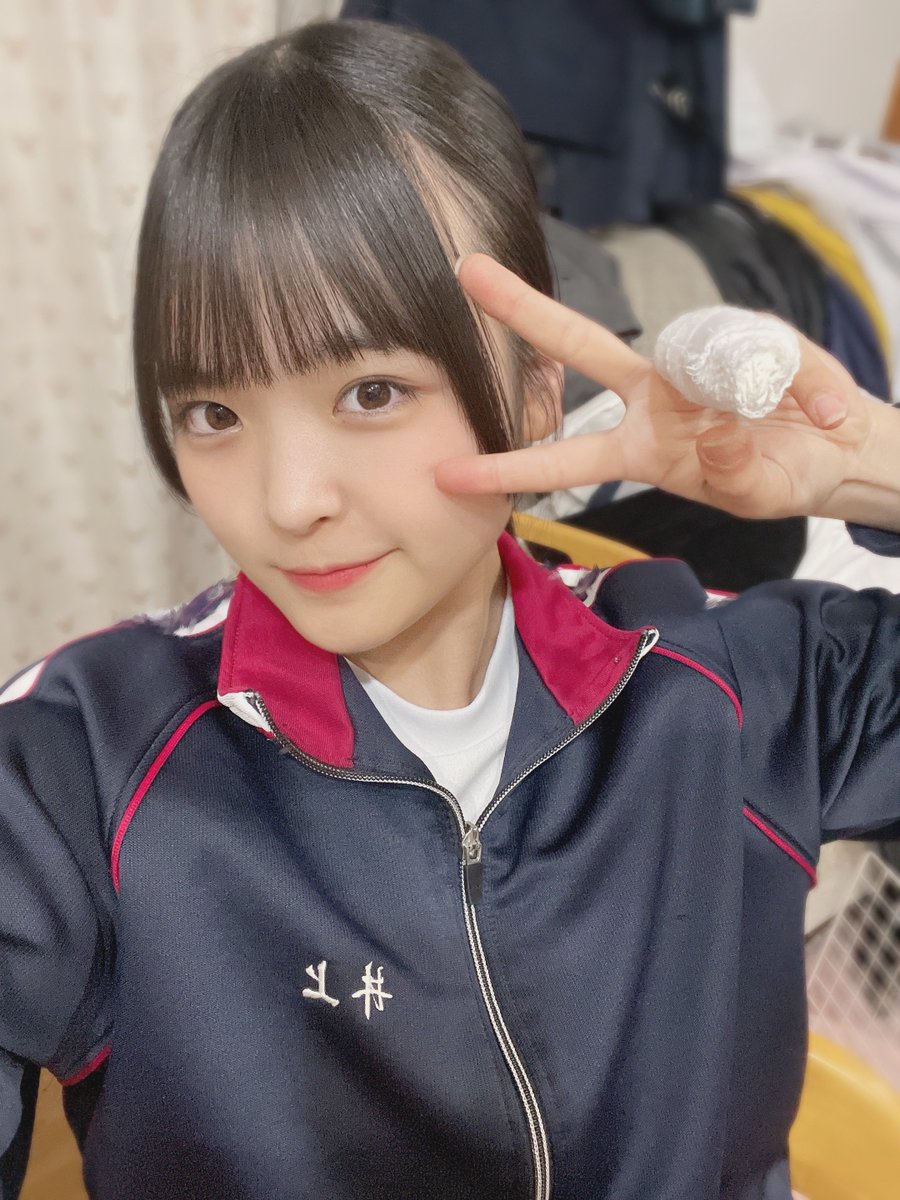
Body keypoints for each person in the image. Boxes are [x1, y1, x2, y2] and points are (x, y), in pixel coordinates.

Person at [1, 17, 898, 1200]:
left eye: (372, 391)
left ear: (534, 392)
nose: (288, 501)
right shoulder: (79, 767)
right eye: (214, 414)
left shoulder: (732, 688)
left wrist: (873, 467)